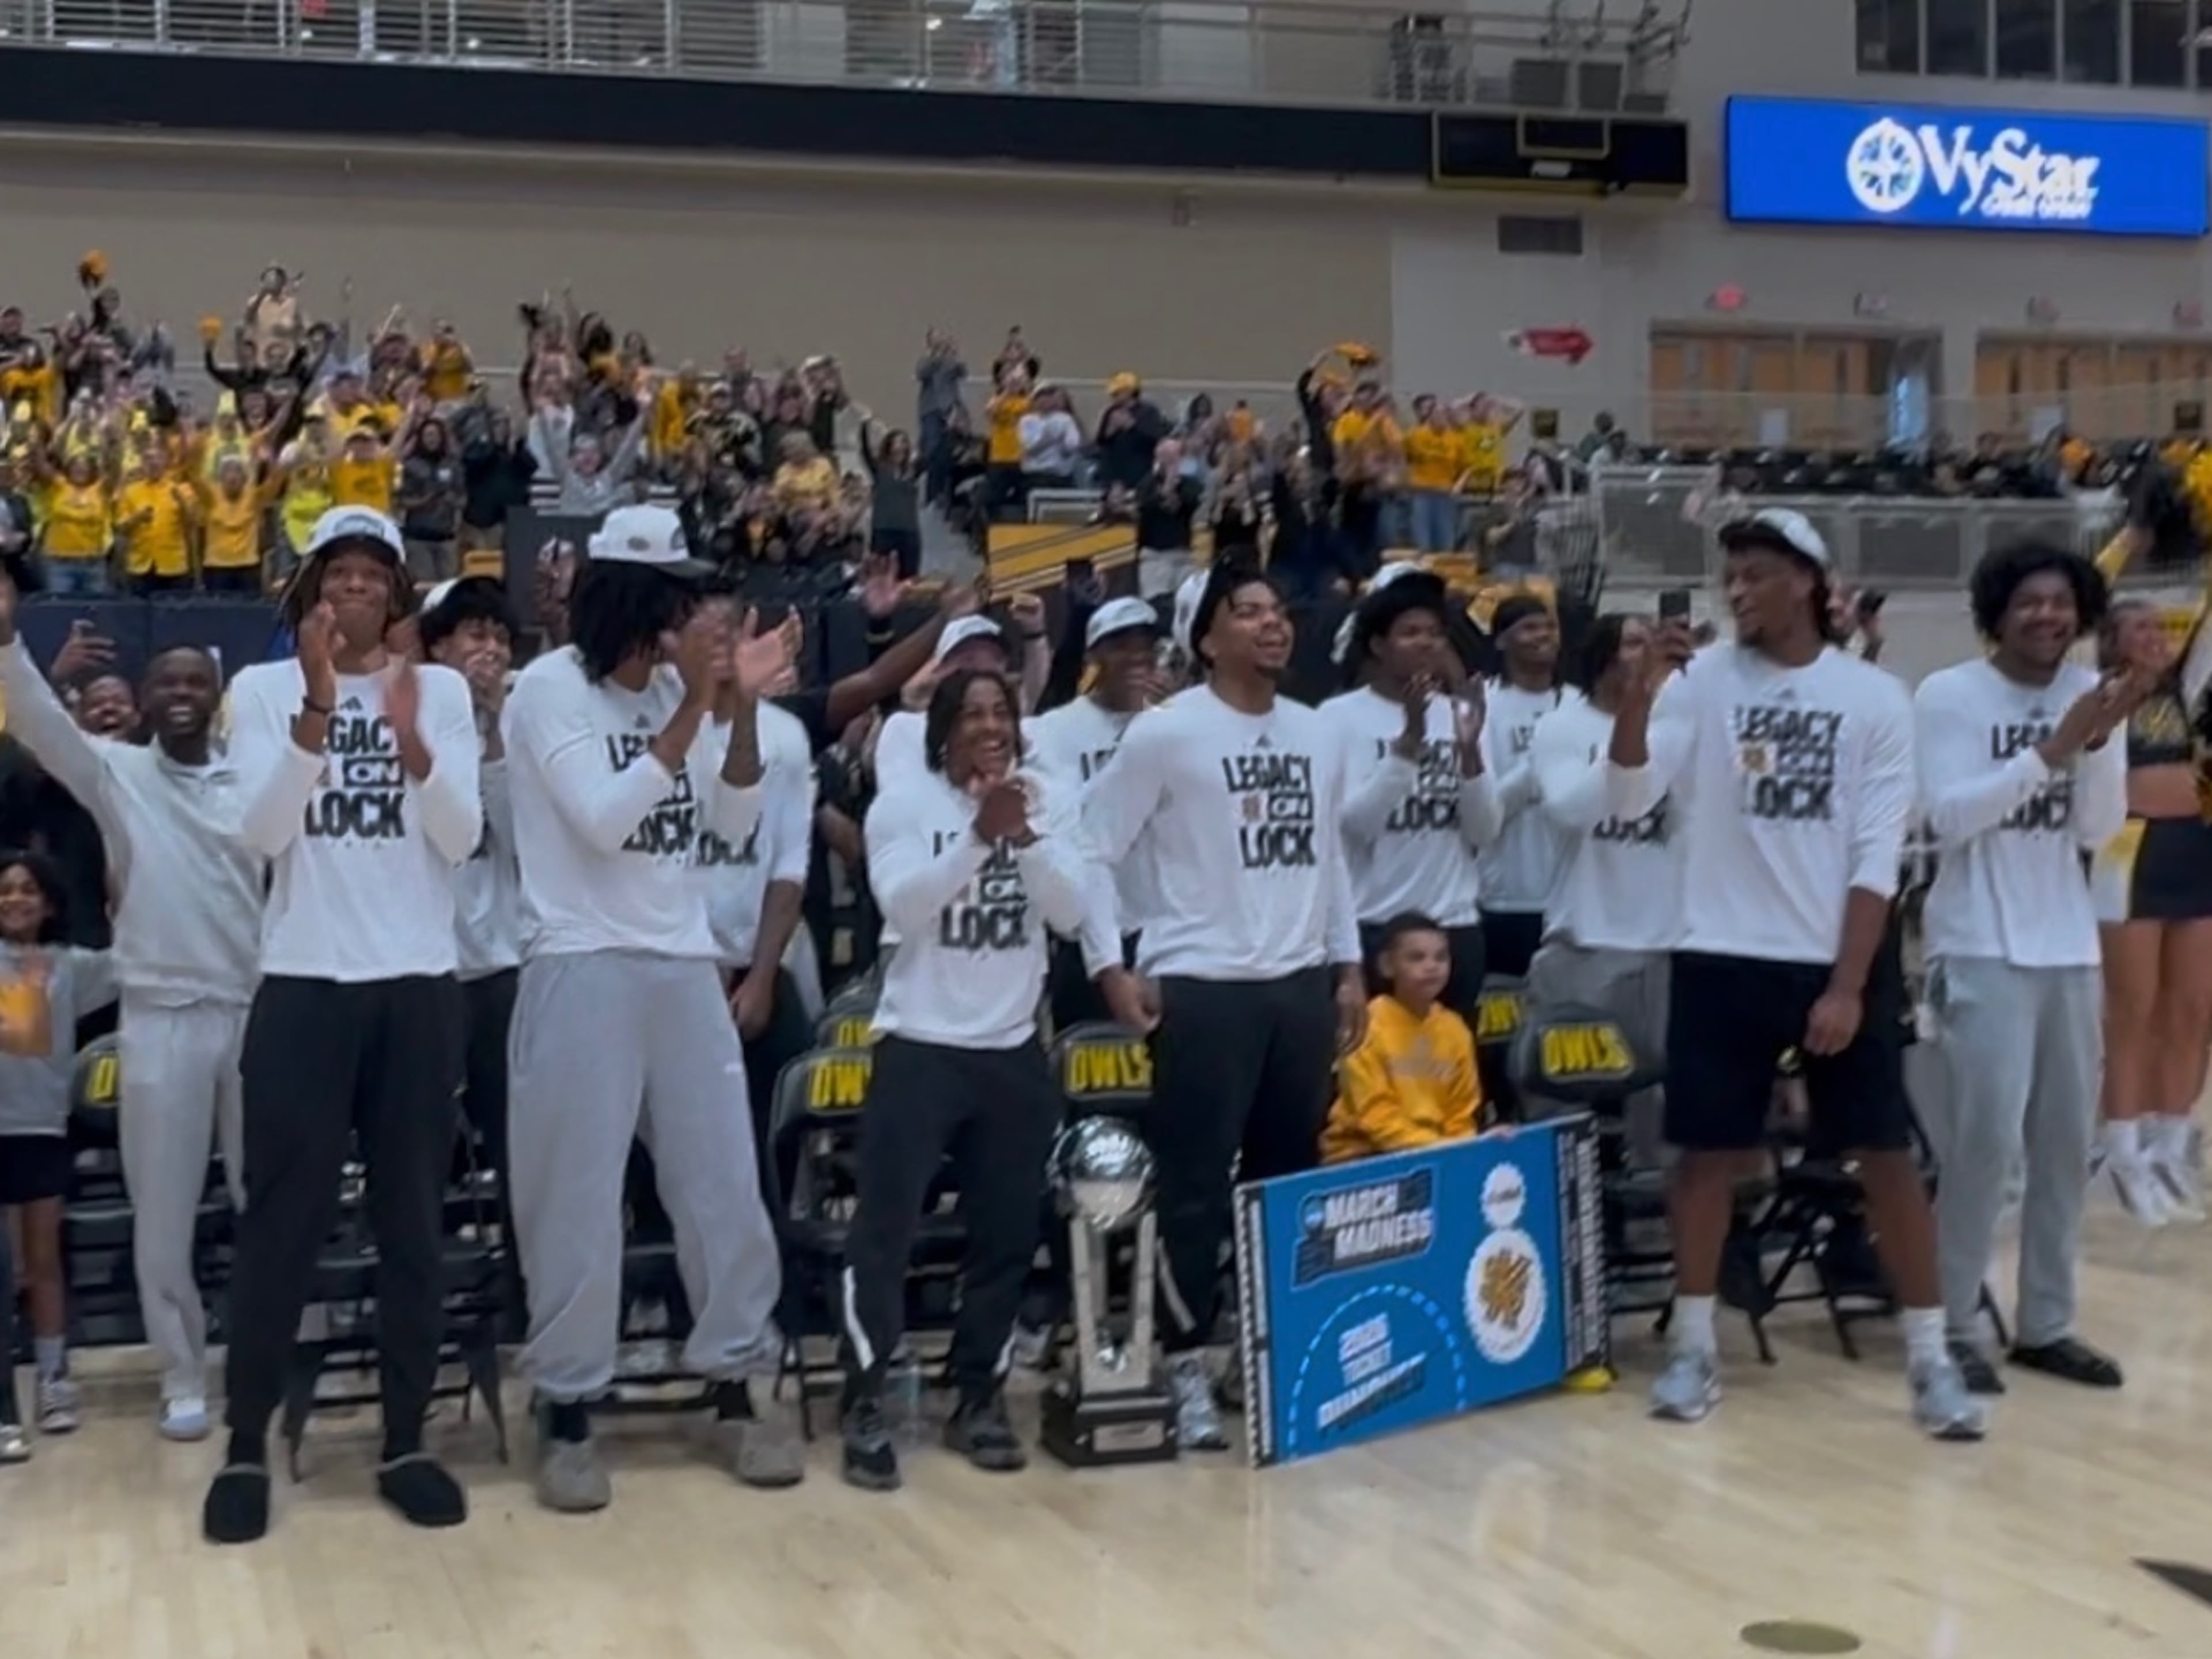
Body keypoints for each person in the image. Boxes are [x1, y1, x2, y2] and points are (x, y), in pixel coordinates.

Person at [1606, 508, 1984, 1440]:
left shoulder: (1873, 699)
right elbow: (1627, 796)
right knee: (1704, 1158)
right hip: (1719, 951)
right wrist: (1640, 697)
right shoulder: (1699, 684)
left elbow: (1875, 855)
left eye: (1757, 573)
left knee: (1887, 1158)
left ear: (1809, 582)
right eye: (1730, 573)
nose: (1737, 589)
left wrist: (1850, 985)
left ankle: (1932, 1357)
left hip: (1834, 958)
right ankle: (1695, 1348)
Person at [502, 503, 803, 1515]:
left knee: (721, 1180)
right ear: (639, 602)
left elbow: (731, 818)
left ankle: (732, 1382)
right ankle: (568, 1405)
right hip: (579, 960)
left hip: (680, 962)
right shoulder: (546, 691)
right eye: (680, 601)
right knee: (576, 1198)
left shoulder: (684, 689)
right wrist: (696, 711)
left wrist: (743, 707)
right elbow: (601, 819)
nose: (696, 618)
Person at [206, 505, 483, 1546]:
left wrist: (411, 742)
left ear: (399, 594)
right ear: (312, 585)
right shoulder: (263, 689)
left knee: (414, 1219)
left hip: (415, 984)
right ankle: (244, 1444)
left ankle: (407, 1438)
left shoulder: (443, 691)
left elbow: (462, 838)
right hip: (305, 982)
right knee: (281, 1222)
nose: (357, 588)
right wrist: (319, 712)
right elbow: (259, 833)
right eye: (341, 571)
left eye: (376, 574)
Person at [1079, 558, 1366, 1452]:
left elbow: (1328, 859)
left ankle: (1264, 1355)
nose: (1273, 624)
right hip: (1201, 984)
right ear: (1207, 637)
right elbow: (1091, 849)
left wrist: (1349, 964)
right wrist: (1108, 966)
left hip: (1297, 988)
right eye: (1249, 612)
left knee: (1286, 1184)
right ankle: (1186, 1364)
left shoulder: (1319, 733)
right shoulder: (1166, 733)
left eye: (1279, 611)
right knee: (1197, 1189)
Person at [840, 668, 1122, 1490]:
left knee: (1004, 1236)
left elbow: (1070, 913)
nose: (993, 727)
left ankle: (981, 1397)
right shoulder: (904, 803)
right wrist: (976, 840)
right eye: (974, 715)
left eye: (1004, 713)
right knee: (883, 1236)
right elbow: (900, 909)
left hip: (1010, 1053)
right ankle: (866, 1402)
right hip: (919, 1047)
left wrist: (1023, 837)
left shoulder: (1047, 799)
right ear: (942, 729)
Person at [0, 591, 259, 1443]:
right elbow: (41, 723)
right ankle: (182, 1375)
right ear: (144, 703)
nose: (180, 691)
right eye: (165, 682)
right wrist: (9, 641)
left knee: (274, 1201)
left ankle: (267, 1360)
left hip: (255, 1014)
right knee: (163, 1213)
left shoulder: (255, 775)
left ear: (214, 696)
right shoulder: (117, 774)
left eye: (195, 680)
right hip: (157, 1018)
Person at [1918, 541, 2133, 1395]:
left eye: (2061, 603)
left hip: (2068, 945)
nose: (2047, 616)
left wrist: (2100, 741)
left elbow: (2094, 830)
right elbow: (1948, 817)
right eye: (2029, 603)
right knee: (1984, 1147)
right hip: (1977, 943)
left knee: (2060, 1148)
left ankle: (2046, 1323)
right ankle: (1952, 1323)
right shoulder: (1949, 696)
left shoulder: (2090, 693)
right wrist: (2051, 750)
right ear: (1996, 614)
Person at [1527, 614, 1679, 1168]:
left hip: (1664, 941)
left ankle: (1655, 1227)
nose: (1645, 653)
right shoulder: (1562, 728)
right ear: (1602, 657)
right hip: (1585, 935)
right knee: (1565, 1102)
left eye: (1650, 642)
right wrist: (1631, 733)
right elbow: (1570, 810)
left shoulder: (1677, 729)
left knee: (1659, 1110)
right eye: (1633, 642)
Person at [1323, 567, 1498, 1017]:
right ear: (1379, 646)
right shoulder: (1339, 718)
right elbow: (1356, 824)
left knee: (1450, 1069)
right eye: (1410, 633)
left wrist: (1469, 751)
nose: (1427, 643)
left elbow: (1484, 831)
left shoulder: (1463, 714)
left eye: (1436, 634)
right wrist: (1409, 744)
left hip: (1454, 926)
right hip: (1378, 924)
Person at [2088, 598, 2212, 1224]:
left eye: (2163, 627)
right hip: (2127, 849)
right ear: (2111, 640)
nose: (2158, 634)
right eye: (2141, 626)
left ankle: (2169, 1147)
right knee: (2132, 1010)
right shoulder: (2098, 694)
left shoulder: (2192, 693)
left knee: (2192, 1007)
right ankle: (2123, 1155)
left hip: (2197, 844)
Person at [0, 850, 113, 1438]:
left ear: (46, 902)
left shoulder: (70, 966)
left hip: (42, 1130)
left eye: (26, 890)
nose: (15, 899)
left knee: (44, 1262)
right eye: (6, 889)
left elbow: (131, 960)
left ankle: (52, 1379)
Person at [416, 577, 521, 1194]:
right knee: (416, 1152)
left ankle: (525, 1286)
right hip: (423, 968)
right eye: (478, 634)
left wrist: (494, 729)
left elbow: (524, 840)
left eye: (504, 637)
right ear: (437, 647)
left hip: (500, 970)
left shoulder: (523, 718)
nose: (494, 650)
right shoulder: (402, 719)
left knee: (519, 1152)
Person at [1024, 596, 1164, 1029]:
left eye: (1145, 644)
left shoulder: (1176, 727)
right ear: (1093, 656)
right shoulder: (1051, 731)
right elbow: (1070, 824)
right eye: (1120, 644)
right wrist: (1137, 746)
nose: (1137, 655)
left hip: (1163, 935)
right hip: (1085, 938)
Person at [1320, 912, 1480, 1164]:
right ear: (1387, 965)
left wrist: (1463, 1148)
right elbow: (1375, 1117)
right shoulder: (1367, 1025)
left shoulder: (1456, 1029)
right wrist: (1439, 1149)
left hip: (1436, 1151)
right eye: (1417, 958)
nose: (1431, 966)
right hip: (1363, 1153)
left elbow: (1461, 1113)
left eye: (1441, 957)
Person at [1475, 594, 1566, 978]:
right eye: (1529, 627)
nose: (1542, 635)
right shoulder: (1484, 706)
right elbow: (1486, 810)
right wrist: (1539, 764)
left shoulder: (1578, 704)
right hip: (1505, 897)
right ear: (1501, 641)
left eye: (1548, 626)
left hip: (1568, 900)